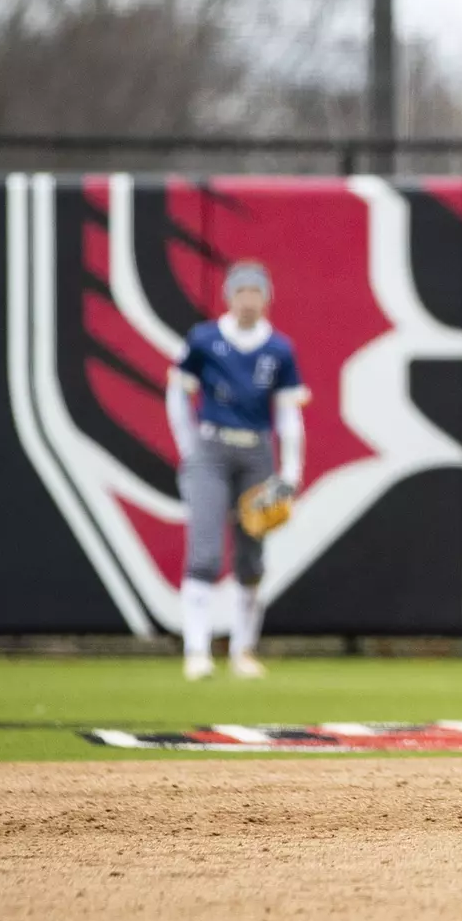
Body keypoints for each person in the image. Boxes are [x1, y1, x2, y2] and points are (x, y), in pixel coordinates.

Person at [165, 261, 308, 681]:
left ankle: (243, 650)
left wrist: (292, 470)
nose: (248, 300)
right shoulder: (205, 339)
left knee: (251, 556)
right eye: (241, 292)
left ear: (267, 298)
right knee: (205, 550)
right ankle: (196, 650)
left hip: (256, 452)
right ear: (228, 296)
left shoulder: (278, 349)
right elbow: (177, 391)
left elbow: (287, 412)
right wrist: (189, 448)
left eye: (256, 292)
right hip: (212, 447)